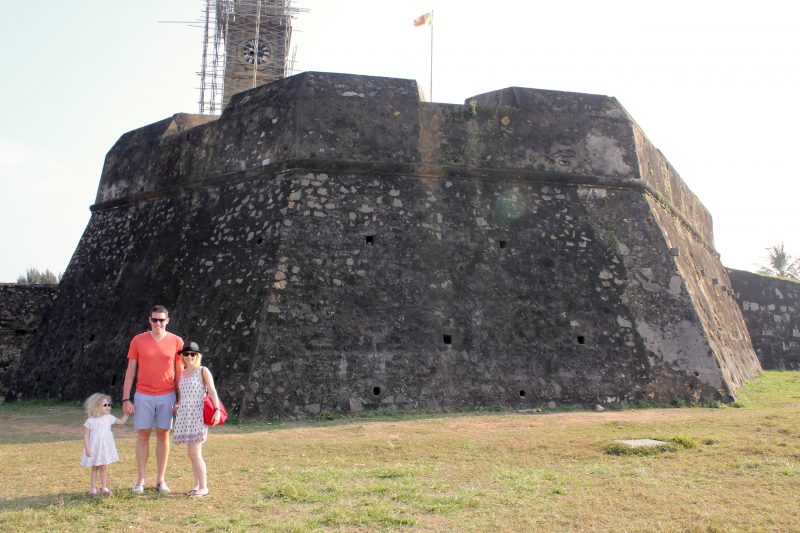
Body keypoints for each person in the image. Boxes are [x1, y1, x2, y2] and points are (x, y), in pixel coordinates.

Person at [121, 304, 184, 495]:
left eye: (161, 320)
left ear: (167, 321)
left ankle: (160, 480)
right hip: (143, 395)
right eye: (154, 320)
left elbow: (180, 372)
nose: (158, 323)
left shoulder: (176, 341)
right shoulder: (138, 340)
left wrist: (180, 399)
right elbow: (130, 371)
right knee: (143, 435)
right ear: (149, 320)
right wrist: (126, 398)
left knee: (164, 434)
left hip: (167, 395)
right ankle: (140, 480)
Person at [173, 341, 222, 498]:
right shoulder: (182, 372)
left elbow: (212, 392)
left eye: (192, 354)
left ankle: (204, 487)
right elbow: (183, 395)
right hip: (185, 415)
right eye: (186, 354)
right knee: (191, 453)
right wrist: (178, 404)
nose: (189, 357)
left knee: (195, 452)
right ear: (182, 356)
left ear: (197, 355)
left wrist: (217, 410)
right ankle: (198, 484)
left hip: (198, 415)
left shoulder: (203, 371)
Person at [81, 393, 129, 496]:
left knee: (103, 467)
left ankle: (104, 487)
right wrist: (87, 449)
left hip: (104, 448)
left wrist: (127, 414)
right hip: (94, 448)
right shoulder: (90, 421)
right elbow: (85, 436)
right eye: (105, 405)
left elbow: (121, 422)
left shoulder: (109, 417)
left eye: (109, 405)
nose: (108, 407)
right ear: (96, 406)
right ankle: (93, 488)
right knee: (94, 467)